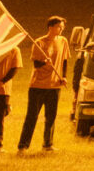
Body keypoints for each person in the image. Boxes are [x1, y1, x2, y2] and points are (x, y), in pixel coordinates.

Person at [21, 17, 71, 152]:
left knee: (51, 117)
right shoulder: (39, 42)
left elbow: (65, 60)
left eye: (62, 27)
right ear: (50, 27)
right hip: (38, 86)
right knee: (32, 116)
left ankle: (47, 144)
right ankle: (23, 146)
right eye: (59, 27)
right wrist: (45, 63)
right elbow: (36, 64)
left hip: (54, 86)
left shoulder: (63, 41)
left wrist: (64, 76)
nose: (61, 30)